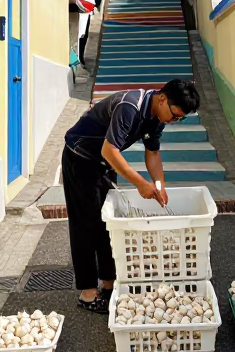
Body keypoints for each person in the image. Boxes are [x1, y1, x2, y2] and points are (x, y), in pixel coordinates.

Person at [61, 79, 201, 312]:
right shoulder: (130, 107)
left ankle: (109, 284)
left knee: (108, 222)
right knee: (85, 224)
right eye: (175, 115)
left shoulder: (157, 117)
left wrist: (159, 185)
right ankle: (88, 293)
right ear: (163, 99)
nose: (173, 121)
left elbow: (152, 152)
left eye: (180, 119)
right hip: (80, 157)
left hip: (104, 162)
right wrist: (140, 184)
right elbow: (109, 150)